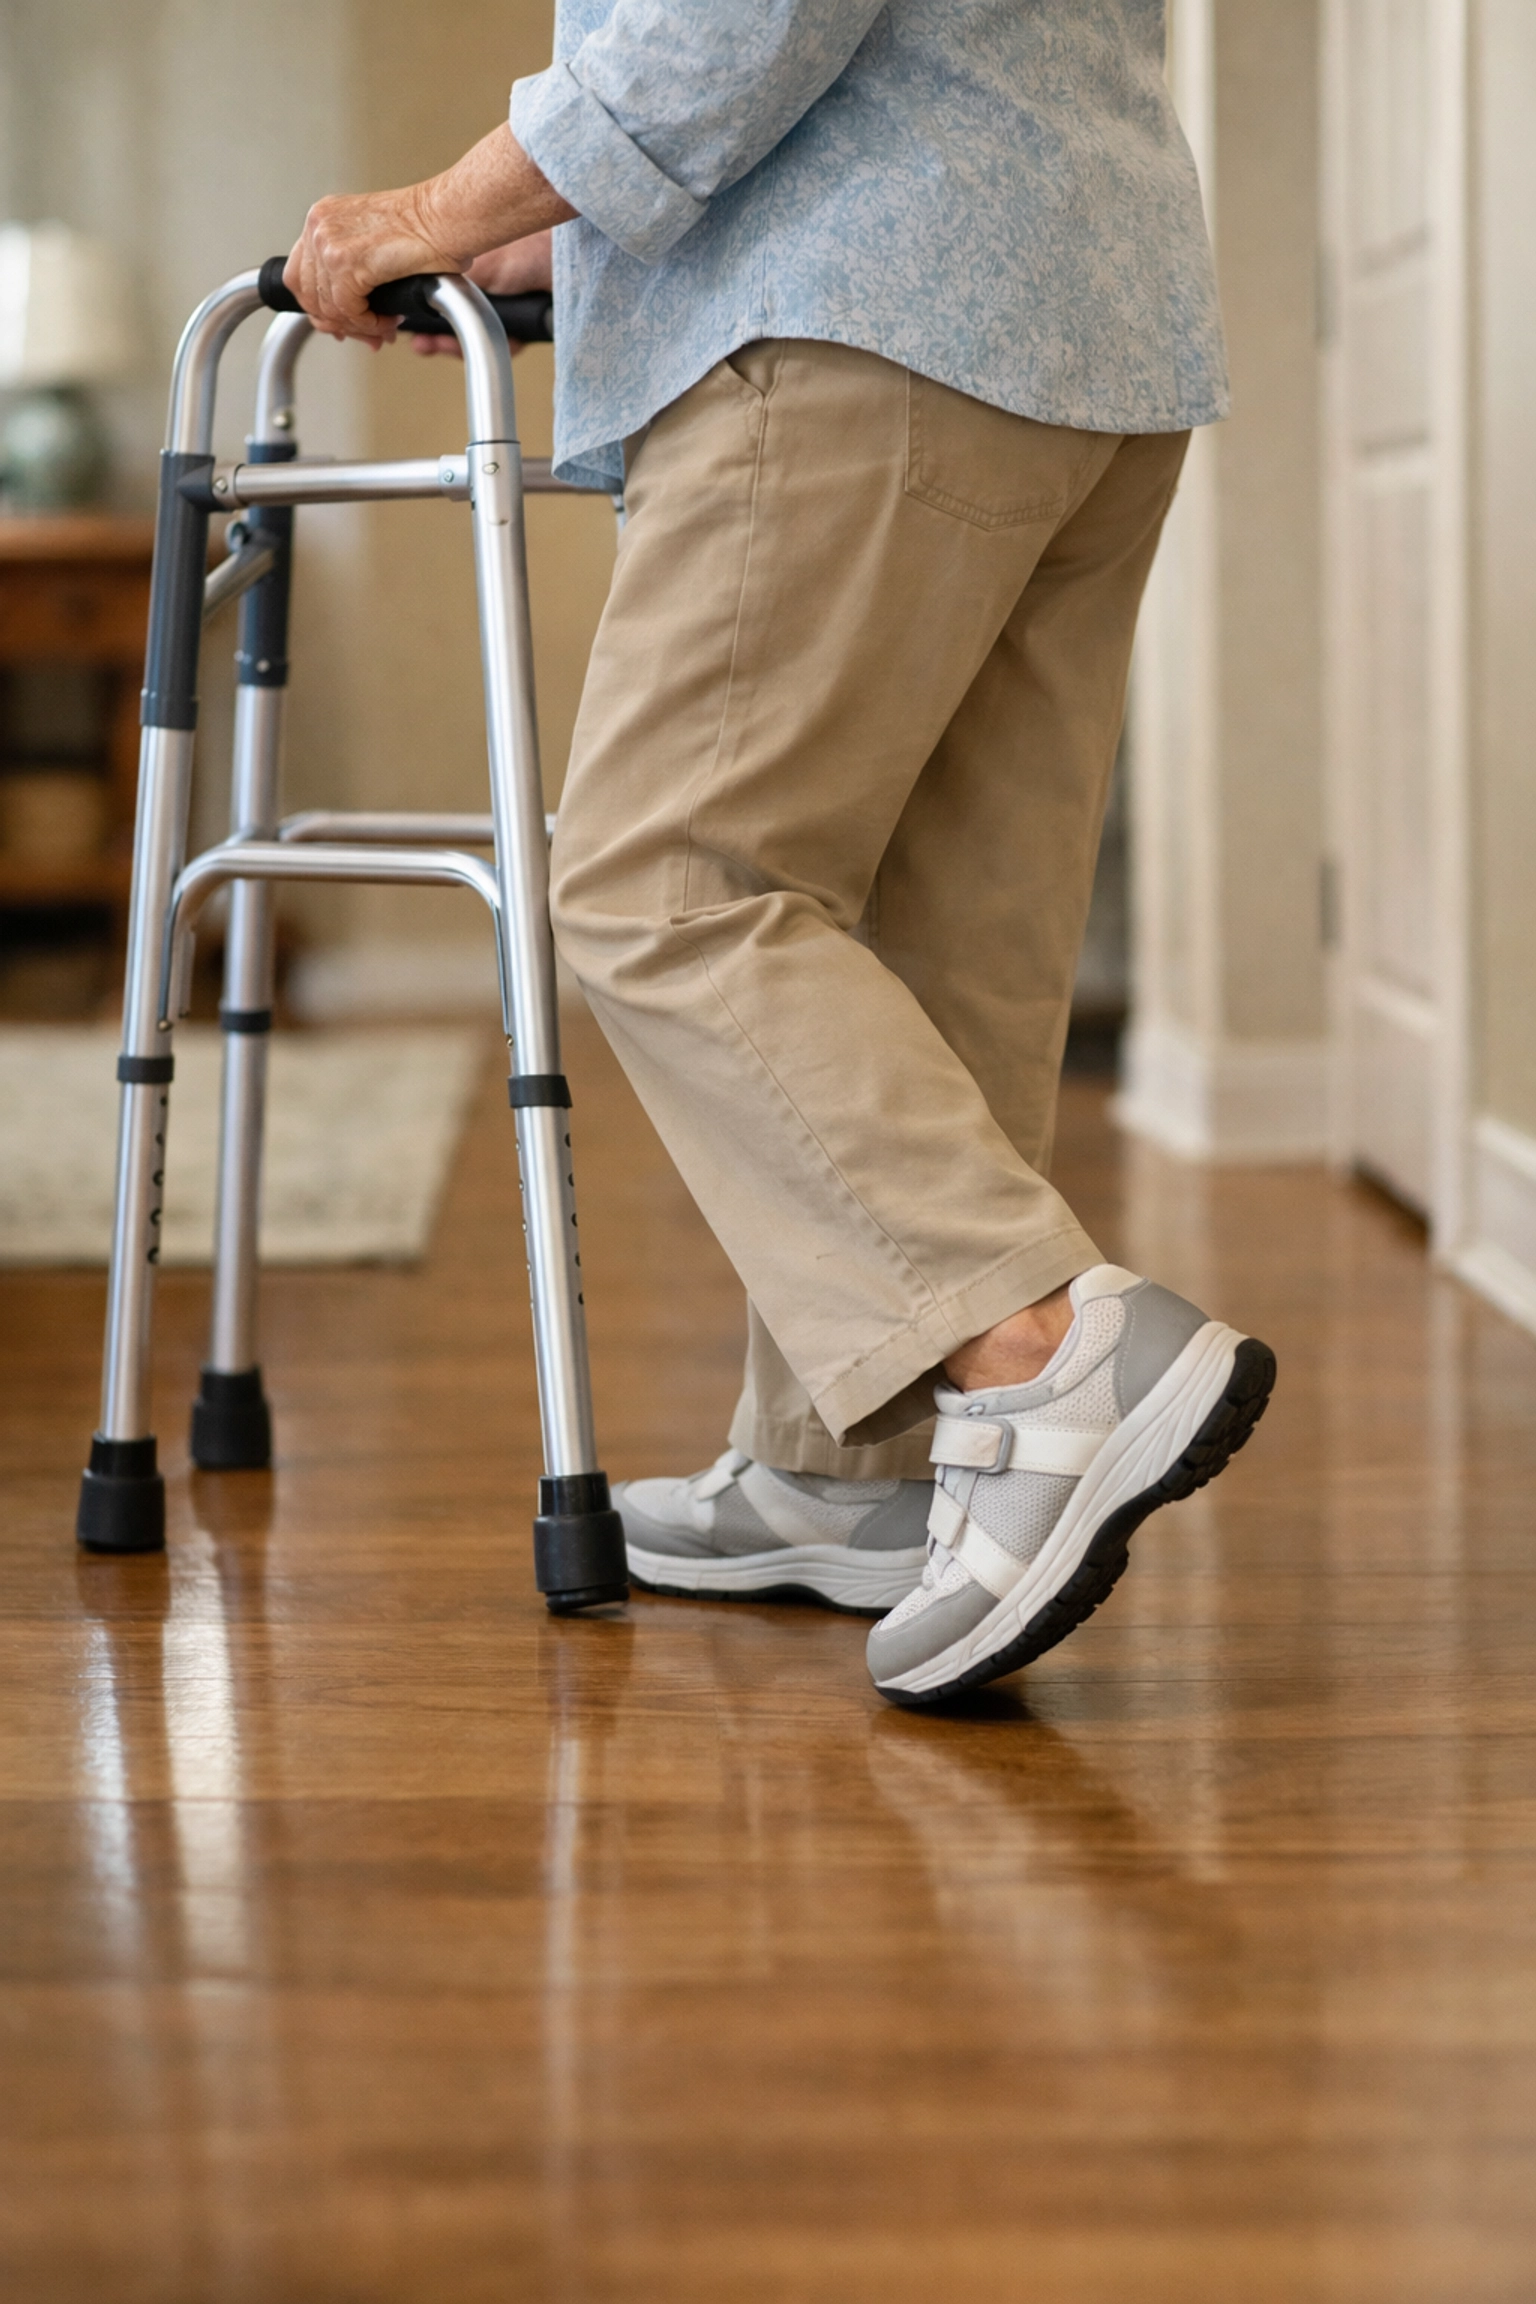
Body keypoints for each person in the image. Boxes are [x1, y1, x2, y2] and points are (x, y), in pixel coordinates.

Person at [283, 0, 1276, 1707]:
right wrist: (565, 224)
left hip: (856, 302)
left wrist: (442, 206)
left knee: (663, 879)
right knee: (932, 928)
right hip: (1084, 313)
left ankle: (1039, 1354)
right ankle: (864, 1471)